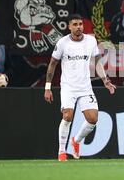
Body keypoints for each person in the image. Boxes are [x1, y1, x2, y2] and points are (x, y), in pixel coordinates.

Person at [44, 14, 116, 162]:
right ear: (69, 27)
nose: (78, 27)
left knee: (93, 119)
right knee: (67, 116)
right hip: (68, 87)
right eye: (75, 24)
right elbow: (52, 64)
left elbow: (97, 62)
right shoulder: (63, 43)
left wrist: (105, 80)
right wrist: (47, 87)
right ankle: (62, 152)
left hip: (85, 87)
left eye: (80, 24)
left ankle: (76, 141)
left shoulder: (91, 41)